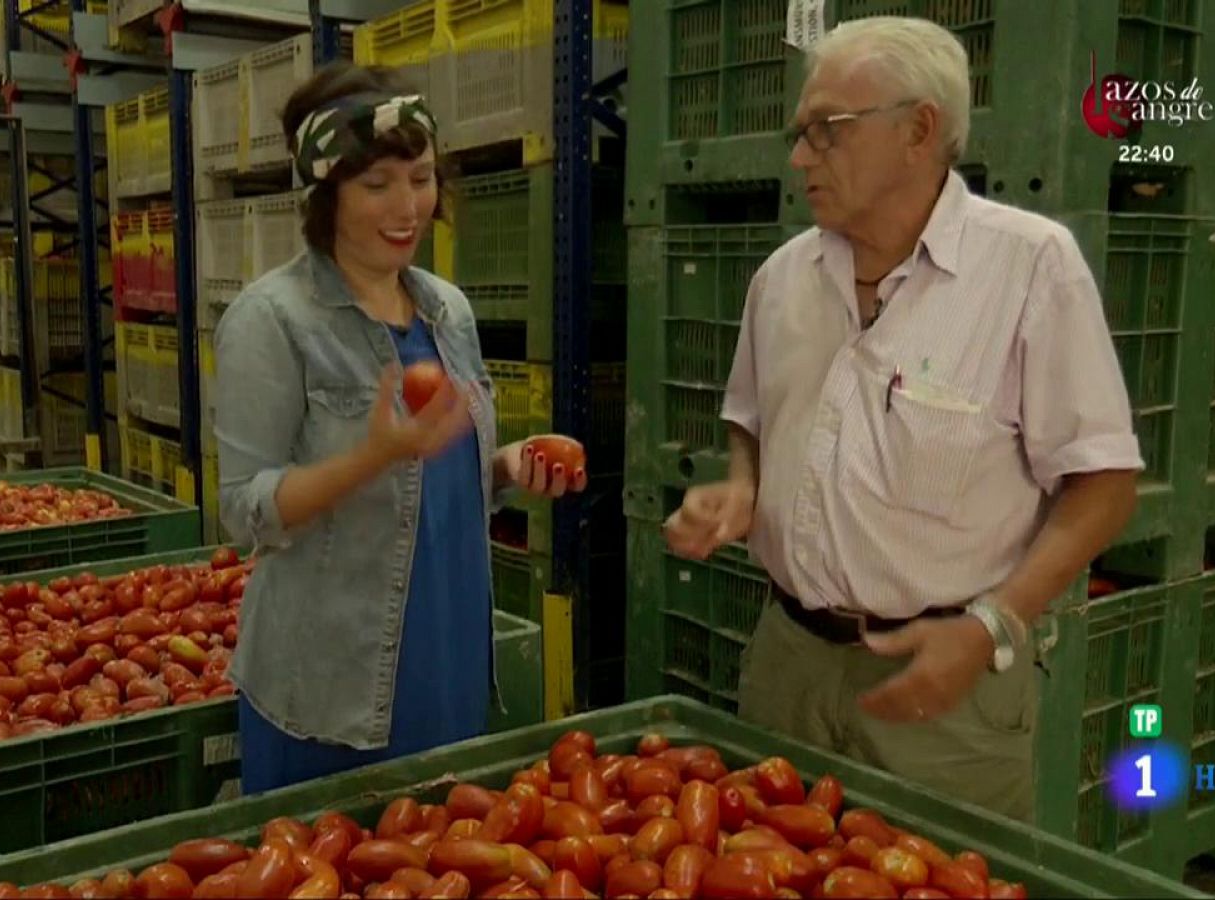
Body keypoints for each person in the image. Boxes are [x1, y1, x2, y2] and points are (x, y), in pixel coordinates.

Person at [662, 16, 1143, 822]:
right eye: (799, 133)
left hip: (945, 686)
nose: (800, 156)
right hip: (788, 664)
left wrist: (992, 624)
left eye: (827, 130)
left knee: (941, 870)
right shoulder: (781, 280)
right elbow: (751, 419)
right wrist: (743, 487)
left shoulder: (1030, 268)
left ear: (920, 130)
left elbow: (1104, 483)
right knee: (769, 862)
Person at [214, 62, 587, 793]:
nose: (406, 206)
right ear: (325, 193)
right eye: (376, 184)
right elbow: (243, 509)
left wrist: (505, 466)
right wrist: (369, 457)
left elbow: (438, 485)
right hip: (331, 690)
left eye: (420, 178)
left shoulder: (449, 311)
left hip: (447, 666)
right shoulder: (271, 320)